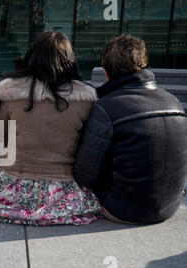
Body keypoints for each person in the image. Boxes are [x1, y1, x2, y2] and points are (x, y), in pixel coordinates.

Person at [0, 32, 102, 226]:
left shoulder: (8, 91)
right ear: (70, 59)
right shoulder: (86, 97)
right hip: (62, 190)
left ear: (32, 56)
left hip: (15, 185)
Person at [74, 35, 187, 224]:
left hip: (123, 209)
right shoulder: (174, 102)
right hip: (170, 207)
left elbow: (85, 175)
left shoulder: (105, 108)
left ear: (106, 72)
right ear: (144, 66)